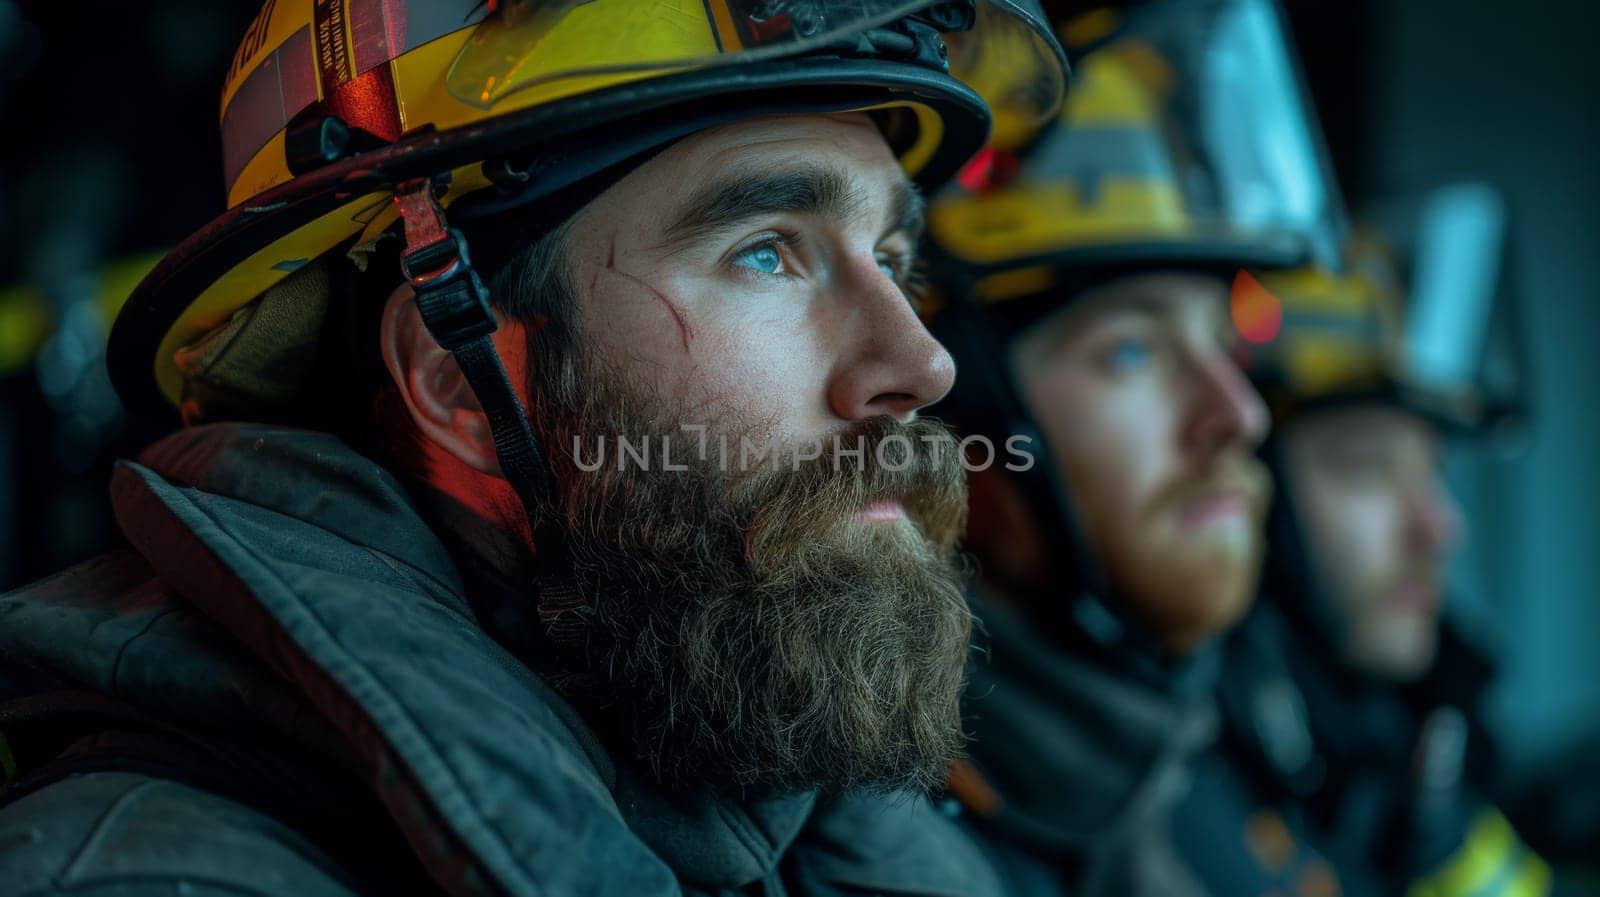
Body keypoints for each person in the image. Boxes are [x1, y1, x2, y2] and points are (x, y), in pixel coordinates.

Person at [0, 3, 1069, 895]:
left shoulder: (792, 806)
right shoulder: (149, 873)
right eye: (765, 253)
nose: (922, 365)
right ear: (458, 380)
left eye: (890, 256)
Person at [918, 0, 1347, 893]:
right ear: (958, 419)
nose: (1237, 417)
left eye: (1225, 347)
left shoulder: (1207, 764)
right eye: (1133, 349)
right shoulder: (878, 839)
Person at [1171, 197, 1573, 897]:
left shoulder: (1409, 743)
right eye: (1367, 468)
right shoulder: (1166, 784)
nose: (1440, 525)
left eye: (1434, 470)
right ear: (1245, 484)